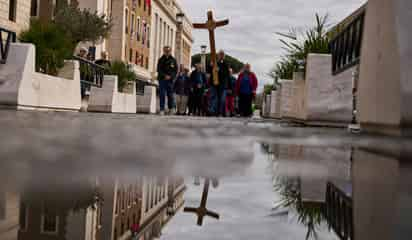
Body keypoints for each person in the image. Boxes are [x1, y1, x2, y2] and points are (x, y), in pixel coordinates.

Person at [208, 50, 230, 116]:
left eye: (222, 55)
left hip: (222, 85)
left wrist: (219, 70)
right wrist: (210, 66)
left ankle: (219, 112)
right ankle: (212, 111)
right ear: (218, 55)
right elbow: (209, 72)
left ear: (224, 56)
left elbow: (226, 74)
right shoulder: (214, 63)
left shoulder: (226, 64)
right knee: (213, 97)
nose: (221, 56)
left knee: (222, 99)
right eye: (220, 54)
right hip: (214, 83)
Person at [157, 46, 178, 115]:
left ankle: (170, 108)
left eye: (168, 51)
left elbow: (175, 70)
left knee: (170, 95)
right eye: (165, 51)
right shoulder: (160, 59)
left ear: (170, 51)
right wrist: (164, 76)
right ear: (163, 51)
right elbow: (159, 70)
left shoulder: (173, 60)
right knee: (162, 94)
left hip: (170, 80)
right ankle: (162, 109)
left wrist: (171, 76)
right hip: (162, 80)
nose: (167, 52)